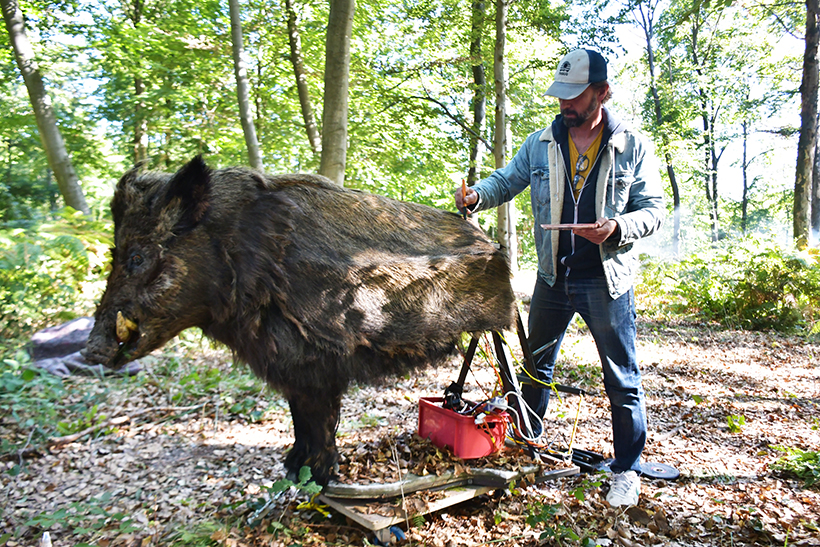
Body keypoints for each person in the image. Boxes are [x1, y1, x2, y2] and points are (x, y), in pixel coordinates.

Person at [454, 49, 665, 507]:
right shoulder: (541, 143)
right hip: (552, 280)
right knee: (535, 371)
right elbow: (505, 181)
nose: (565, 105)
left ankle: (627, 470)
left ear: (602, 93)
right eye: (561, 96)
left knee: (622, 380)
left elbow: (653, 212)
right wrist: (475, 197)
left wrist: (617, 228)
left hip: (606, 281)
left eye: (576, 96)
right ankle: (530, 450)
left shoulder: (632, 145)